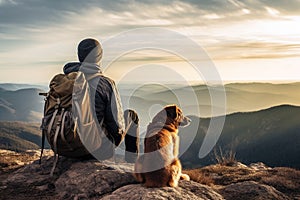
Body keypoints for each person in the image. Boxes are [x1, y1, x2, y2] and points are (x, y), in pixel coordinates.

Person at [63, 38, 139, 163]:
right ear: (99, 56)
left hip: (67, 147)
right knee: (131, 115)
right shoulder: (105, 83)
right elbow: (117, 127)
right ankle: (132, 161)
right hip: (97, 151)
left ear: (79, 55)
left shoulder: (66, 81)